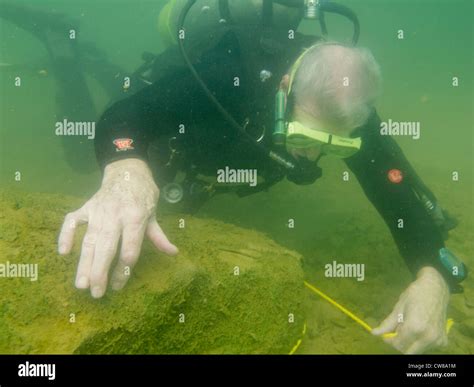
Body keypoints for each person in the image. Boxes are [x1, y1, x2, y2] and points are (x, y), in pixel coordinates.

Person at [48, 2, 465, 354]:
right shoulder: (231, 67)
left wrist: (433, 274)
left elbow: (397, 189)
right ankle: (65, 51)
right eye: (304, 137)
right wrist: (127, 172)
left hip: (228, 156)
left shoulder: (348, 107)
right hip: (185, 134)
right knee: (80, 158)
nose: (313, 156)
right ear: (286, 87)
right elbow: (128, 115)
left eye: (335, 147)